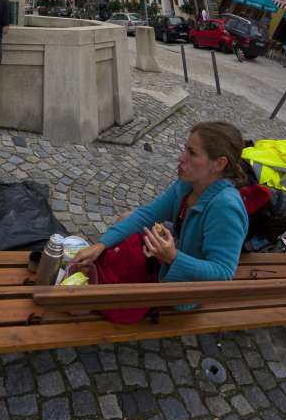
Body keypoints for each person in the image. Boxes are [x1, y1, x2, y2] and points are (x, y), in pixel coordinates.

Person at [73, 122, 249, 292]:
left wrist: (172, 257)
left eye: (192, 153)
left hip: (188, 288)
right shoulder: (188, 184)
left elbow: (223, 273)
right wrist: (101, 245)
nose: (181, 157)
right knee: (126, 218)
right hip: (172, 258)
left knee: (103, 287)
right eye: (185, 149)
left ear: (219, 164)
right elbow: (147, 215)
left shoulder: (226, 208)